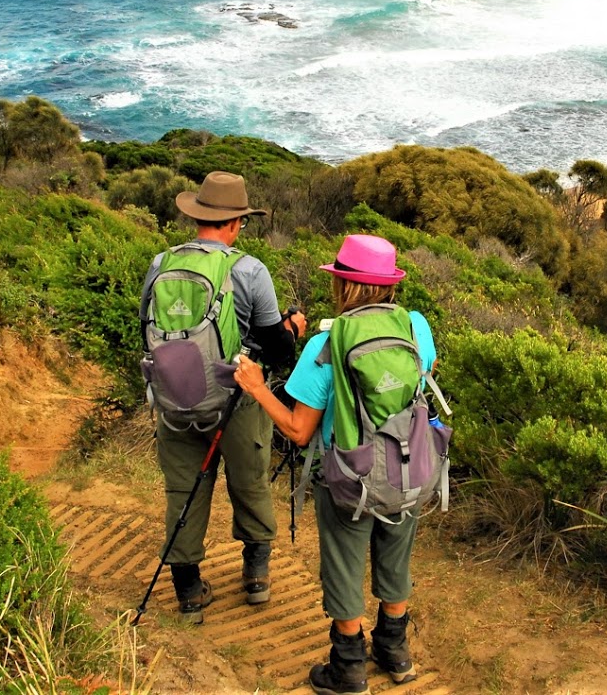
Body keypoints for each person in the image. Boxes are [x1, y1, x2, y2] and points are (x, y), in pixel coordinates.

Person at [235, 233, 436, 695]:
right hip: (408, 467)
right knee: (396, 555)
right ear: (388, 284)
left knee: (345, 565)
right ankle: (395, 651)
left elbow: (298, 430)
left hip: (349, 476)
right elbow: (426, 370)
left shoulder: (325, 344)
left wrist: (257, 387)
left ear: (343, 285)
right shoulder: (415, 327)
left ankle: (348, 667)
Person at [139, 171, 306, 623]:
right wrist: (293, 328)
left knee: (183, 488)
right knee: (249, 479)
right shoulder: (249, 270)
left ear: (199, 218)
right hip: (237, 397)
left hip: (175, 397)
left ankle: (188, 590)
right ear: (234, 224)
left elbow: (146, 331)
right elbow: (277, 351)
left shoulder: (161, 264)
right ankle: (255, 577)